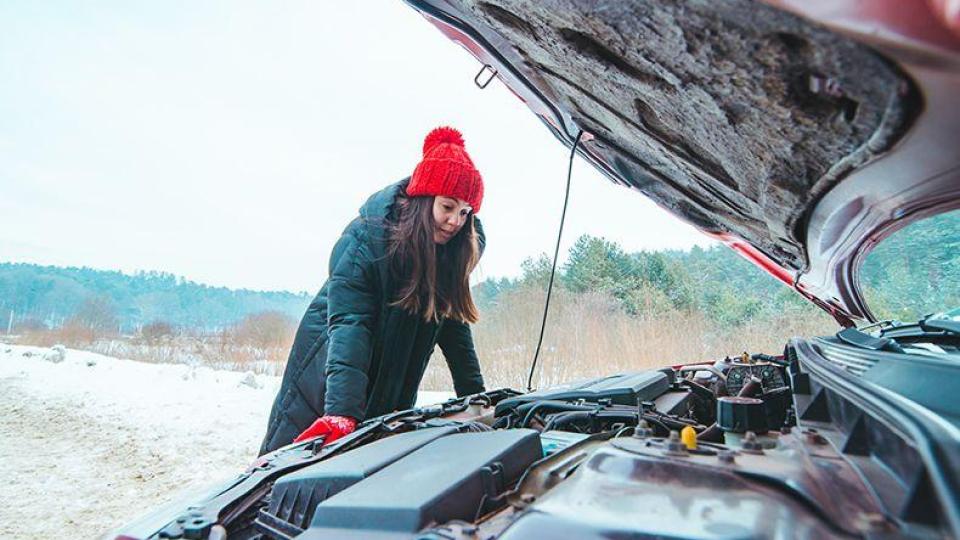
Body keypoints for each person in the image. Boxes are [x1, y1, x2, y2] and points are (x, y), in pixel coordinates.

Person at [258, 126, 487, 455]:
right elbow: (351, 325)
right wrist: (340, 412)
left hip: (393, 378)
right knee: (290, 471)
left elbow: (452, 328)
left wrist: (475, 396)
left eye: (465, 212)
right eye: (447, 207)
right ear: (424, 200)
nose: (455, 221)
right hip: (328, 377)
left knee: (367, 466)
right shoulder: (368, 241)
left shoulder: (448, 255)